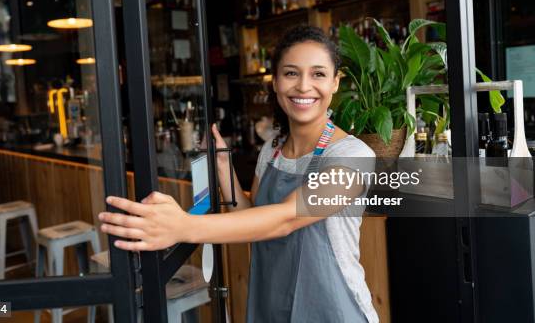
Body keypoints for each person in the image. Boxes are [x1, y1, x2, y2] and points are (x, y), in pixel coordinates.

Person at [99, 25, 379, 322]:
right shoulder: (271, 149)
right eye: (291, 73)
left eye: (318, 74)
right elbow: (254, 218)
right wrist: (223, 167)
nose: (303, 86)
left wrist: (183, 226)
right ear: (275, 82)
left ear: (336, 83)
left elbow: (285, 218)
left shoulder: (353, 156)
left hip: (332, 310)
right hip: (270, 303)